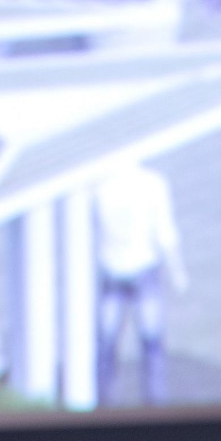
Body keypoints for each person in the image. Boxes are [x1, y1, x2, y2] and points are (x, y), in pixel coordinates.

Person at [92, 162, 188, 405]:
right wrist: (177, 272)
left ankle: (104, 405)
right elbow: (165, 232)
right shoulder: (153, 184)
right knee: (151, 345)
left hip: (116, 270)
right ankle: (155, 407)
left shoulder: (99, 187)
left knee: (107, 346)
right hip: (137, 269)